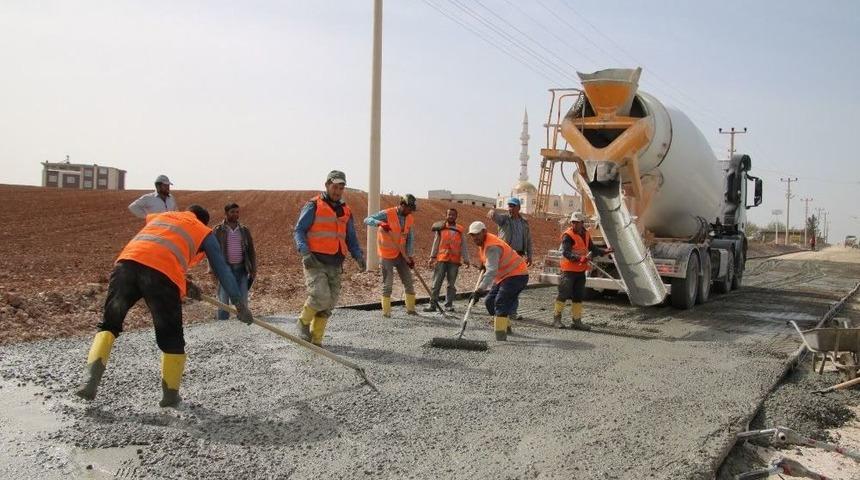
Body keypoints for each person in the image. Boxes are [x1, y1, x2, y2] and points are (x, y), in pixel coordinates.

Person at [75, 205, 254, 408]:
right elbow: (221, 268)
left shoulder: (163, 217)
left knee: (109, 324)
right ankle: (170, 395)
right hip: (161, 278)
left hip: (126, 267)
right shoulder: (202, 230)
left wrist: (184, 284)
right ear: (202, 221)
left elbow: (158, 250)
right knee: (172, 338)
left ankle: (90, 381)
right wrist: (239, 303)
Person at [294, 171, 365, 346]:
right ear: (327, 185)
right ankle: (302, 322)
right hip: (315, 260)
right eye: (335, 187)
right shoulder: (313, 205)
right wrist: (305, 252)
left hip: (335, 262)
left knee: (329, 303)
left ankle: (316, 340)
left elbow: (351, 238)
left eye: (341, 187)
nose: (338, 191)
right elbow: (299, 230)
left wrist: (358, 256)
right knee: (320, 295)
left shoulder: (346, 210)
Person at [468, 221, 529, 341]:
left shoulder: (492, 246)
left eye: (477, 234)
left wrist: (479, 290)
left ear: (484, 232)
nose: (475, 238)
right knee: (490, 302)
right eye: (472, 235)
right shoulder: (485, 242)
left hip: (517, 274)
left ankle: (500, 336)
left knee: (500, 302)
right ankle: (505, 326)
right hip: (504, 276)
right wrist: (484, 264)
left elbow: (491, 271)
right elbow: (490, 262)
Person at [553, 212, 613, 330]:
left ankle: (577, 321)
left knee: (578, 296)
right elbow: (566, 252)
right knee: (563, 294)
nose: (574, 224)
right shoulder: (568, 235)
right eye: (573, 222)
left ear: (582, 223)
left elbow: (592, 248)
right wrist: (579, 258)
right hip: (568, 271)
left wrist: (605, 251)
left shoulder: (585, 234)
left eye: (577, 222)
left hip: (580, 271)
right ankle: (556, 319)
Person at [364, 194, 418, 317]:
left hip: (401, 254)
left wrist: (409, 256)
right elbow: (367, 219)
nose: (411, 212)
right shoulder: (388, 213)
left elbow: (410, 238)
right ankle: (386, 312)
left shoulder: (409, 217)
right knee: (388, 284)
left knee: (409, 282)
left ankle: (411, 309)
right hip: (387, 255)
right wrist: (380, 223)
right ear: (403, 205)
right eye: (409, 209)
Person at [487, 197, 532, 321]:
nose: (510, 208)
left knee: (514, 285)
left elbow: (528, 240)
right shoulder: (505, 220)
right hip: (505, 256)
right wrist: (492, 212)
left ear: (518, 208)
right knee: (499, 283)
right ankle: (496, 311)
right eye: (509, 206)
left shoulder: (524, 222)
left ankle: (512, 312)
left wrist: (530, 255)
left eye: (513, 206)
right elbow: (495, 217)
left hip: (518, 256)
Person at [212, 202, 257, 321]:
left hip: (242, 269)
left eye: (237, 212)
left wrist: (253, 269)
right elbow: (212, 251)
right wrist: (212, 270)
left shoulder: (244, 230)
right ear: (226, 213)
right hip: (224, 270)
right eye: (232, 212)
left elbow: (251, 250)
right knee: (223, 301)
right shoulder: (218, 230)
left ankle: (242, 326)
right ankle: (222, 326)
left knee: (243, 300)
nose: (235, 214)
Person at [424, 208, 470, 312]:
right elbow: (436, 243)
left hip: (454, 261)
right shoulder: (441, 228)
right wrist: (432, 257)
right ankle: (432, 305)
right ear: (446, 215)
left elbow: (463, 245)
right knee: (436, 283)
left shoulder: (460, 229)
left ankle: (448, 305)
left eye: (453, 215)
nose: (451, 216)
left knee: (451, 285)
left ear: (456, 216)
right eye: (449, 214)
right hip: (441, 259)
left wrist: (466, 259)